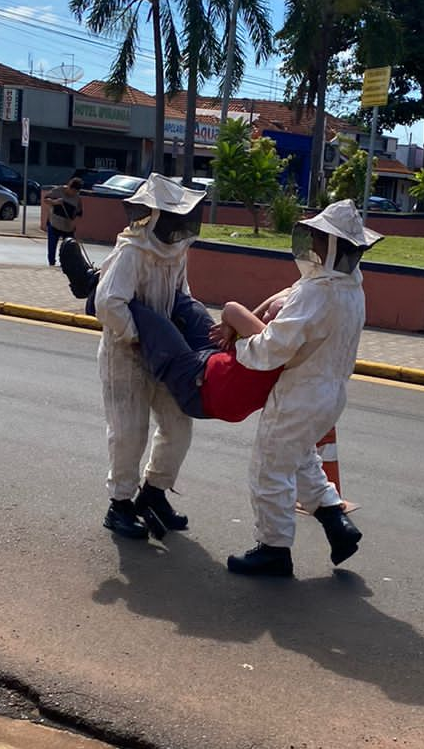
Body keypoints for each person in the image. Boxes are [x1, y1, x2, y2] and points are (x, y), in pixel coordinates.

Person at [226, 200, 380, 578]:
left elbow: (273, 348)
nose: (310, 244)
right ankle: (336, 522)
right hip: (331, 394)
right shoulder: (349, 290)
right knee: (301, 459)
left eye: (318, 239)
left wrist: (237, 341)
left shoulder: (318, 293)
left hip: (300, 394)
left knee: (269, 470)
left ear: (330, 247)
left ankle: (273, 550)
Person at [89, 173, 208, 541]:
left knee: (178, 425)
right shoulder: (132, 250)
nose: (178, 224)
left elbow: (180, 295)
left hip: (164, 353)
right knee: (129, 433)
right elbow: (107, 303)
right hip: (124, 355)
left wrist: (192, 327)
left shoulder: (177, 250)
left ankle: (153, 494)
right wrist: (138, 337)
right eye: (172, 217)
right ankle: (120, 504)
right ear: (154, 216)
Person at [128, 294, 283, 422]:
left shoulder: (273, 345)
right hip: (214, 360)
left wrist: (235, 324)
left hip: (197, 388)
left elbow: (231, 309)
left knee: (152, 322)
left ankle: (106, 285)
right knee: (191, 307)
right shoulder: (291, 336)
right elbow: (288, 290)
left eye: (269, 315)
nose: (265, 314)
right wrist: (234, 328)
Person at [43, 175, 84, 266]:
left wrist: (74, 223)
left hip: (67, 227)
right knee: (52, 246)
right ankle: (52, 263)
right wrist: (55, 202)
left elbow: (79, 214)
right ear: (69, 186)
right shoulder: (58, 191)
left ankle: (66, 264)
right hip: (54, 224)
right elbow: (45, 199)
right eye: (72, 191)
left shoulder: (77, 199)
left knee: (69, 247)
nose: (73, 193)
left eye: (76, 192)